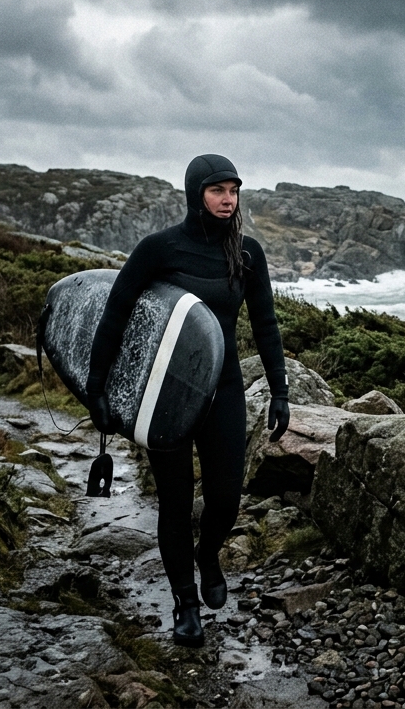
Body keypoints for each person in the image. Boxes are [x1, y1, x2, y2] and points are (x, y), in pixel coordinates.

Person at [84, 154, 289, 647]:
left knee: (225, 495)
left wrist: (280, 390)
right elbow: (115, 316)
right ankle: (185, 602)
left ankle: (209, 555)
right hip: (166, 396)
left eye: (234, 191)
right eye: (218, 190)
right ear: (196, 192)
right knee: (174, 503)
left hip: (224, 389)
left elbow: (265, 323)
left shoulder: (246, 254)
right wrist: (97, 386)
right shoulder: (159, 249)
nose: (228, 199)